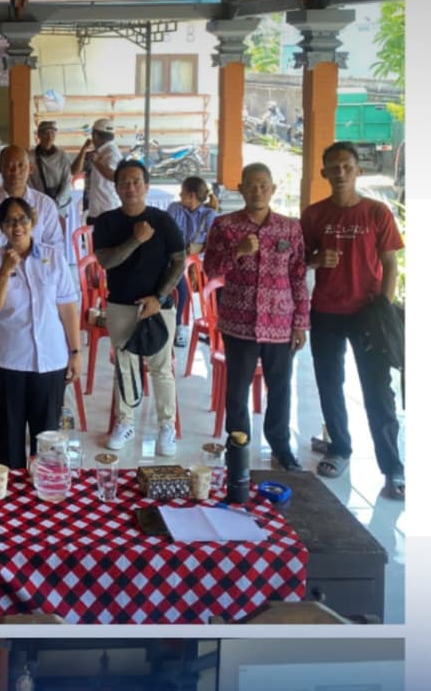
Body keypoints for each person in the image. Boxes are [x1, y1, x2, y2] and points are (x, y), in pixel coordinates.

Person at [300, 142, 405, 498]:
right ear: (324, 173)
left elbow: (390, 263)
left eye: (347, 166)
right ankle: (339, 448)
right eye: (334, 167)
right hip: (326, 311)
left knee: (378, 391)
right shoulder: (314, 215)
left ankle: (392, 467)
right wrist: (317, 259)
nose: (340, 172)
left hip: (368, 315)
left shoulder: (377, 212)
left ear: (358, 170)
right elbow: (301, 259)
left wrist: (383, 309)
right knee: (329, 384)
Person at [204, 163, 309, 471]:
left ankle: (280, 445)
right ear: (241, 189)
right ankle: (238, 446)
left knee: (281, 387)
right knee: (237, 389)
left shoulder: (290, 228)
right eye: (251, 185)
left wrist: (300, 323)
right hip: (239, 323)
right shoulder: (225, 226)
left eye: (263, 185)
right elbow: (211, 269)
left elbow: (298, 275)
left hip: (280, 323)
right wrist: (237, 251)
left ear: (273, 189)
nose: (257, 191)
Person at [0, 145, 64, 459]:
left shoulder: (45, 204)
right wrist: (14, 232)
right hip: (0, 284)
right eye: (8, 166)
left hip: (40, 286)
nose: (15, 171)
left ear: (30, 168)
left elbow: (53, 245)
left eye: (21, 165)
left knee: (43, 367)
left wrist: (16, 233)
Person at [0, 196, 81, 468]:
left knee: (47, 438)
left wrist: (75, 351)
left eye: (22, 219)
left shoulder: (53, 256)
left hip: (51, 360)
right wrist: (5, 271)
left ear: (32, 221)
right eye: (9, 222)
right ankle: (11, 489)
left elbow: (68, 306)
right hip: (8, 361)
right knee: (10, 435)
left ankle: (42, 487)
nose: (17, 227)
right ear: (1, 227)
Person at [93, 159, 185, 456]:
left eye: (136, 182)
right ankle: (125, 422)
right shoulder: (106, 222)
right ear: (116, 187)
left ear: (146, 186)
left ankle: (167, 426)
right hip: (121, 305)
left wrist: (159, 297)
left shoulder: (163, 220)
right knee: (125, 366)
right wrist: (135, 239)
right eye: (124, 182)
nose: (130, 188)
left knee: (161, 368)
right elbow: (106, 261)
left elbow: (179, 261)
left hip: (159, 306)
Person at [166, 176, 218, 346]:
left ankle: (213, 326)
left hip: (198, 264)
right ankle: (176, 325)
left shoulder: (209, 215)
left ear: (192, 196)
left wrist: (194, 262)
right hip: (174, 260)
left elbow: (212, 246)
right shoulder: (175, 209)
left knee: (216, 284)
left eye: (182, 192)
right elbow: (166, 236)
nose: (180, 195)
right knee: (179, 283)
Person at [71, 118, 122, 225]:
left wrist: (97, 163)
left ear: (95, 136)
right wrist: (83, 150)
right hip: (95, 210)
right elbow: (74, 171)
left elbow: (114, 176)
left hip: (107, 210)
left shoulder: (112, 152)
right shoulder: (96, 152)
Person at [27, 120, 72, 218]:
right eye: (45, 133)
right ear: (39, 135)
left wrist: (57, 203)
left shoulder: (63, 156)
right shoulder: (30, 157)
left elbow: (67, 181)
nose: (49, 136)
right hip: (37, 205)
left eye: (52, 133)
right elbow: (28, 181)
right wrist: (38, 201)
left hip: (58, 207)